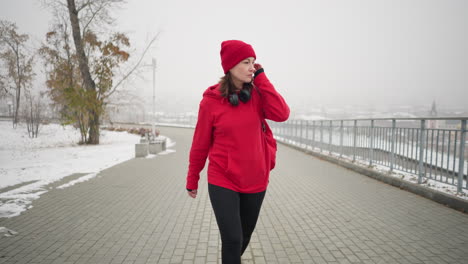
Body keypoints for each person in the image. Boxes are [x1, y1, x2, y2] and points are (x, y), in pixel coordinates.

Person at [186, 40, 290, 264]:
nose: (252, 66)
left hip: (255, 179)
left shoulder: (257, 96)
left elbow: (282, 113)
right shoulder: (210, 103)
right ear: (230, 66)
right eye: (246, 62)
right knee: (232, 239)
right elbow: (200, 143)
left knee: (244, 237)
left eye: (253, 62)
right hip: (222, 178)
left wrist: (261, 78)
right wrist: (192, 177)